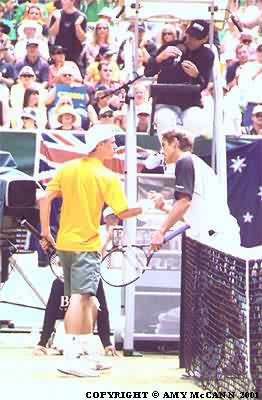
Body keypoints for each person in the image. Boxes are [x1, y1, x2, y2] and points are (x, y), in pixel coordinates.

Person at [39, 124, 143, 377]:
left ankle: (88, 353)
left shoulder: (68, 169)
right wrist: (146, 206)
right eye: (112, 143)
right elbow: (123, 212)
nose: (115, 147)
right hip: (86, 246)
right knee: (80, 298)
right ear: (99, 146)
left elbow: (44, 199)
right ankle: (72, 357)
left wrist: (45, 231)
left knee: (90, 300)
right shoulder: (108, 176)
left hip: (65, 244)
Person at [148, 127, 240, 251]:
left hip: (217, 238)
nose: (161, 151)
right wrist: (163, 206)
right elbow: (189, 215)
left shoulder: (184, 161)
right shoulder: (191, 162)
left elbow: (184, 203)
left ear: (175, 143)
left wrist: (161, 231)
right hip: (215, 236)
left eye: (163, 145)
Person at [144, 19, 214, 140]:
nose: (191, 39)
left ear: (204, 39)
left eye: (196, 37)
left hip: (190, 103)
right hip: (165, 100)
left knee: (194, 121)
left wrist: (196, 76)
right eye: (190, 35)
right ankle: (166, 155)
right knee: (164, 119)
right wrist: (158, 59)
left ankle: (188, 156)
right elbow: (148, 72)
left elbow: (203, 84)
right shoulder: (170, 46)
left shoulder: (207, 55)